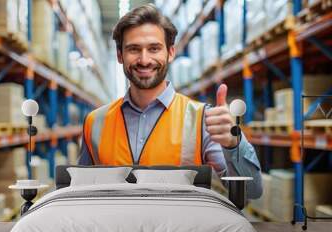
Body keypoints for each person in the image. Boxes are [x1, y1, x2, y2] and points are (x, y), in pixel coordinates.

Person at [78, 4, 262, 199]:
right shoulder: (95, 122)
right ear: (119, 55)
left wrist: (234, 144)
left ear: (171, 52)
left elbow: (252, 192)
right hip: (115, 229)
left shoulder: (202, 120)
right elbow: (80, 191)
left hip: (181, 229)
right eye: (134, 49)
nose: (144, 59)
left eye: (154, 48)